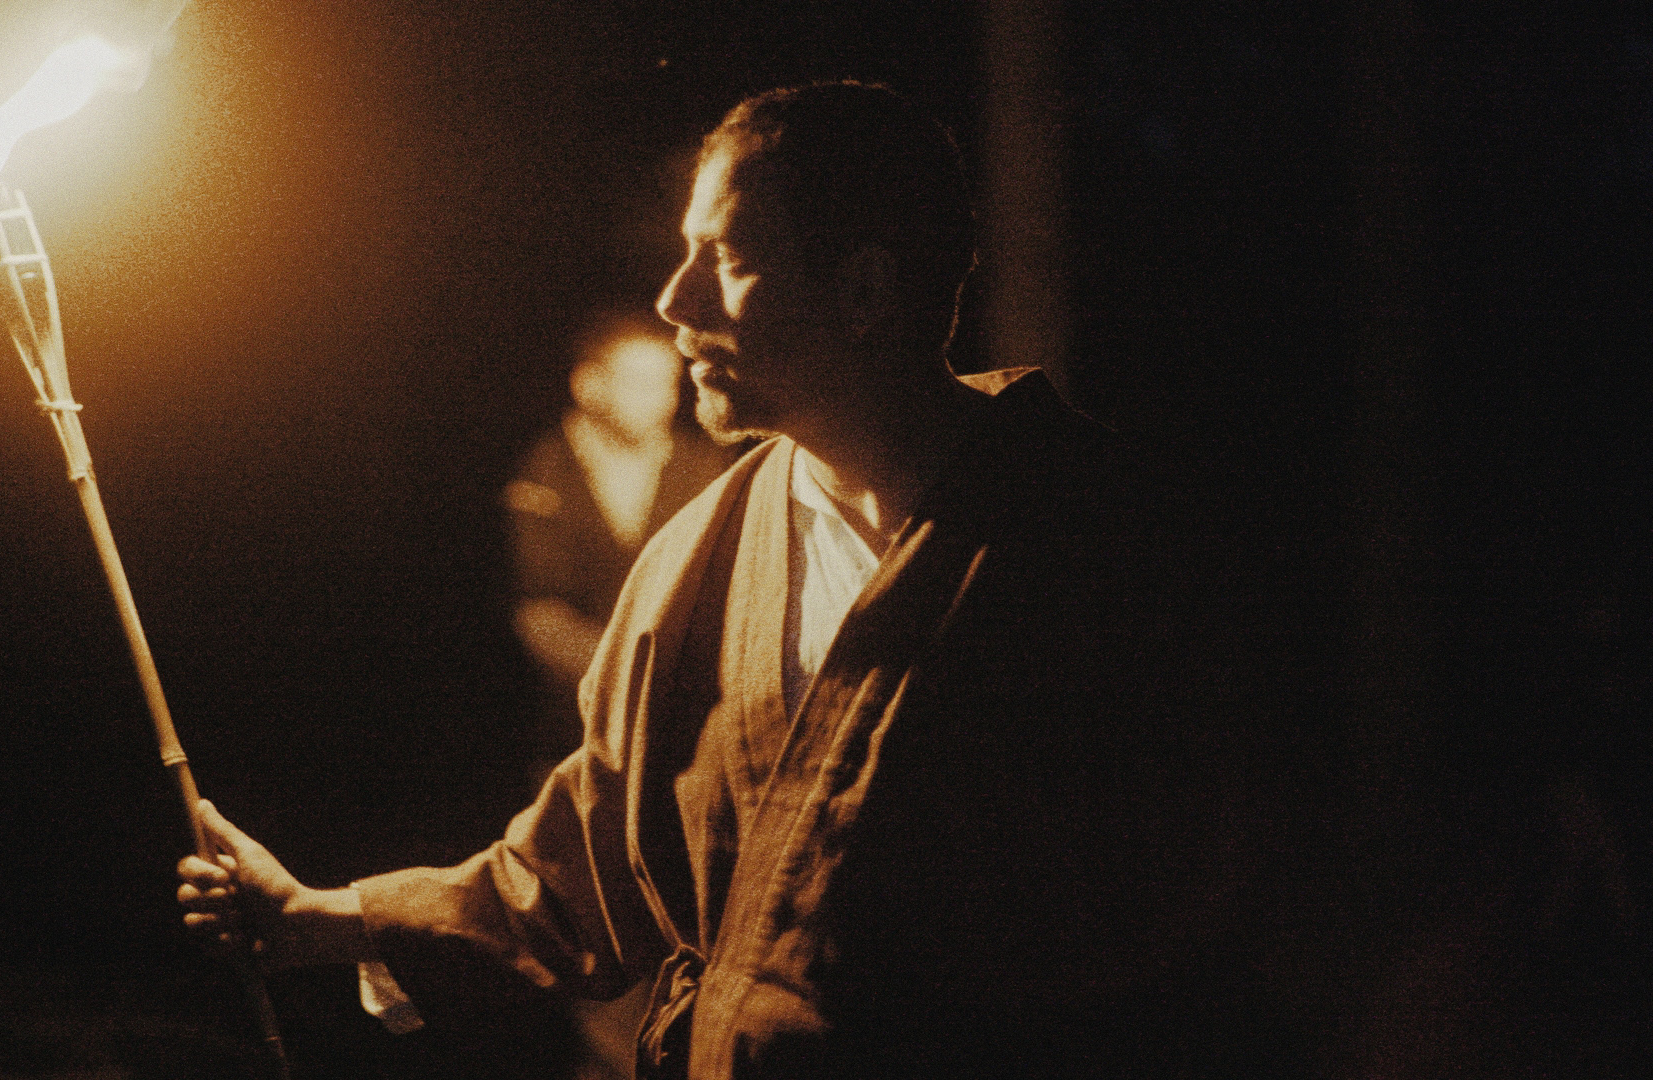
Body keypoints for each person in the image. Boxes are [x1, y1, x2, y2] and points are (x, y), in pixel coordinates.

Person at [180, 82, 1284, 1077]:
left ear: (863, 288)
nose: (675, 300)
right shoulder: (697, 558)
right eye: (683, 254)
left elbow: (1199, 907)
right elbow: (583, 869)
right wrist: (326, 918)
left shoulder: (1095, 539)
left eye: (728, 258)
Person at [506, 319, 734, 1079]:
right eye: (639, 380)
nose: (661, 398)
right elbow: (539, 613)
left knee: (692, 928)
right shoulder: (546, 471)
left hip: (692, 748)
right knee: (592, 928)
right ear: (589, 383)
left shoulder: (706, 467)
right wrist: (631, 686)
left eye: (667, 381)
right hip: (576, 742)